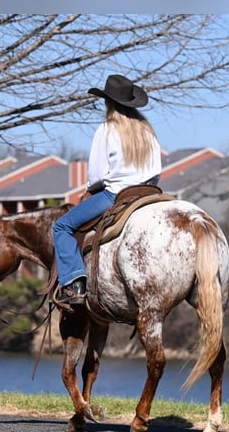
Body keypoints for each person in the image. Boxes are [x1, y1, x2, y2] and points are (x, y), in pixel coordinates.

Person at [53, 74, 162, 305]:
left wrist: (90, 189)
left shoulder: (107, 130)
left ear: (108, 102)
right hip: (150, 193)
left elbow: (97, 175)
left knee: (61, 226)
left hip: (115, 195)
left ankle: (75, 285)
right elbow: (156, 171)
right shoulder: (147, 131)